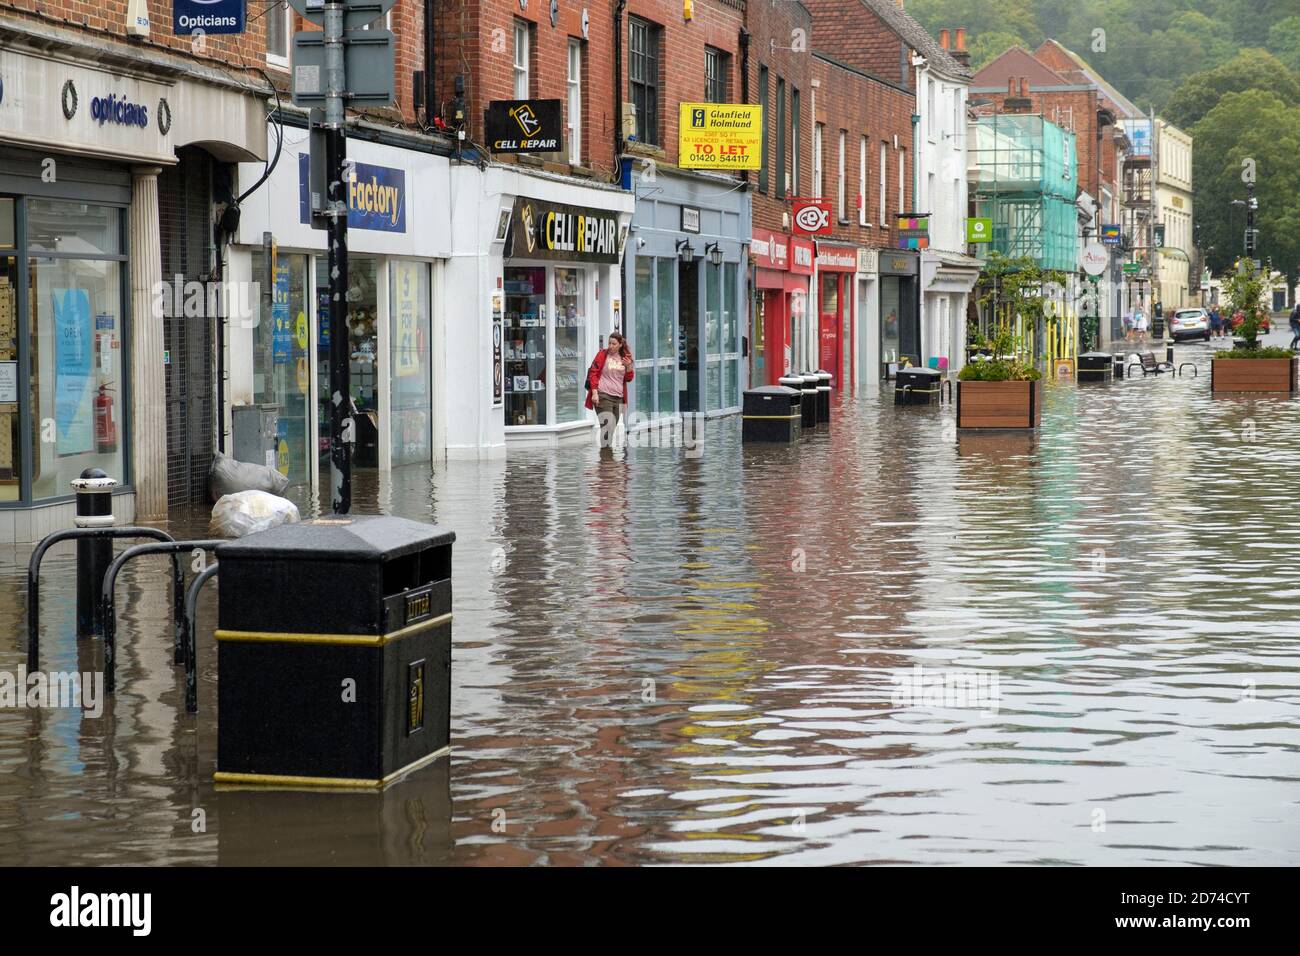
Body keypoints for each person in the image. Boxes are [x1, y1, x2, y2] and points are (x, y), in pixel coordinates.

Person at [586, 330, 634, 452]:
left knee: (611, 428)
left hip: (619, 398)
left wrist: (629, 367)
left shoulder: (625, 358)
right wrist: (595, 393)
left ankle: (606, 459)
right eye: (609, 343)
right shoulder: (602, 355)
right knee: (607, 427)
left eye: (614, 344)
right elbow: (593, 373)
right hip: (603, 395)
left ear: (620, 344)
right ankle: (606, 459)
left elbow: (629, 379)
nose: (611, 346)